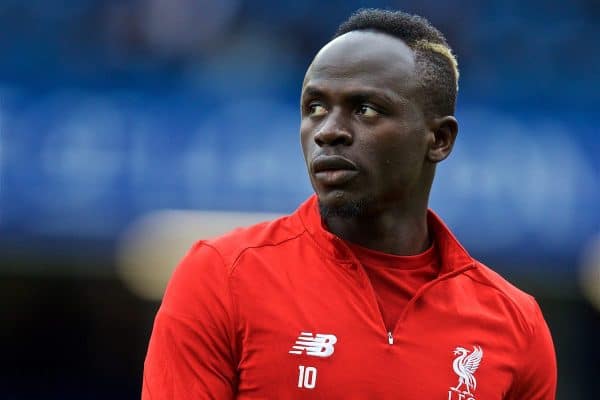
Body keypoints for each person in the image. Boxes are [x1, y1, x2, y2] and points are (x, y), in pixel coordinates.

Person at [142, 8, 557, 400]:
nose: (329, 131)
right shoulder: (221, 277)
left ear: (439, 139)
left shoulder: (516, 327)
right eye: (315, 107)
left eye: (365, 109)